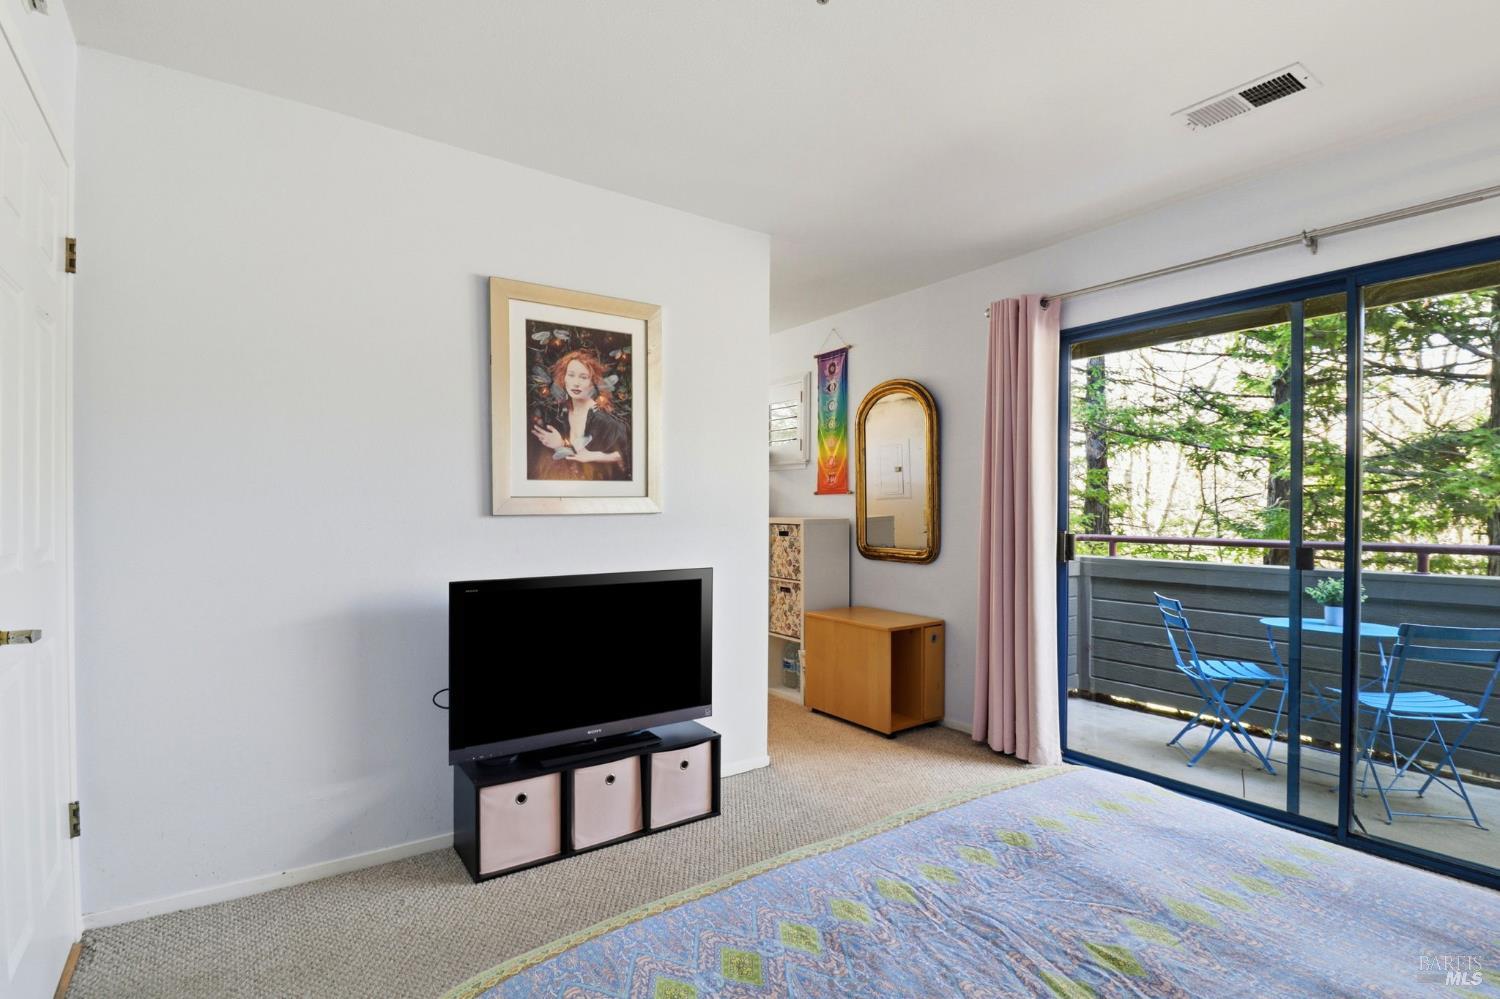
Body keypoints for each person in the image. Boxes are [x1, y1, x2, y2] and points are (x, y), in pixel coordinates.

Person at [528, 350, 630, 481]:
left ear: (593, 382)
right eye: (571, 375)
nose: (576, 383)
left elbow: (629, 455)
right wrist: (559, 446)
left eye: (583, 377)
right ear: (563, 378)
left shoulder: (603, 420)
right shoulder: (560, 413)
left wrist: (596, 456)